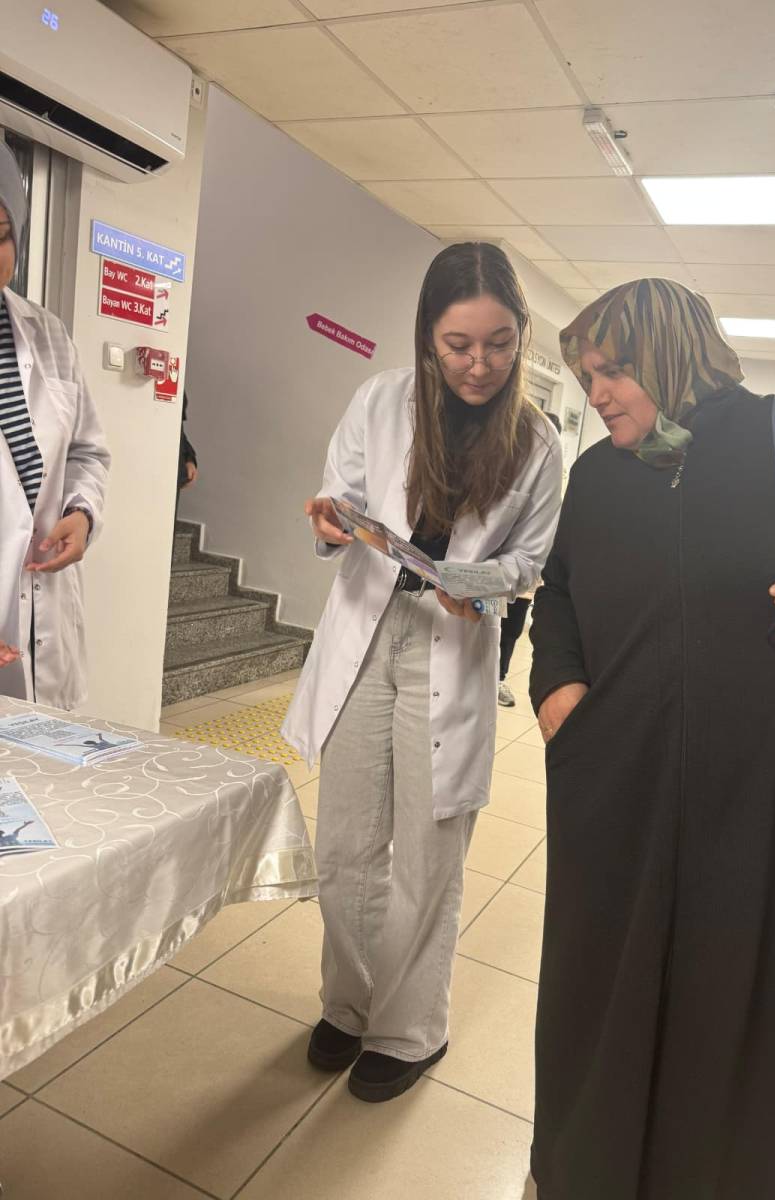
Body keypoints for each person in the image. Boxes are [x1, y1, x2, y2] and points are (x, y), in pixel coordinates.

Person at [528, 278, 775, 1200]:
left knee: (752, 986)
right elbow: (559, 592)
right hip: (619, 783)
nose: (597, 393)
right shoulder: (598, 476)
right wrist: (557, 683)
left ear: (674, 355)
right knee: (606, 980)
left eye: (615, 370)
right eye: (587, 376)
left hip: (771, 786)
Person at [282, 242, 563, 1103]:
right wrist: (331, 521)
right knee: (345, 846)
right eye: (458, 344)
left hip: (450, 641)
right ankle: (349, 1002)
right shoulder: (381, 400)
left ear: (521, 338)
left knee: (428, 856)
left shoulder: (539, 442)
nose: (479, 365)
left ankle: (409, 1029)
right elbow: (341, 497)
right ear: (427, 337)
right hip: (368, 634)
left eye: (499, 343)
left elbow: (530, 560)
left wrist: (478, 582)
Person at [0, 141, 110, 711]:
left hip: (43, 613)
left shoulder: (47, 334)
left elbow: (87, 451)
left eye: (0, 235)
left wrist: (82, 514)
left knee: (44, 758)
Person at [498, 410, 561, 707]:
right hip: (496, 573)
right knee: (497, 625)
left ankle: (500, 678)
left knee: (511, 629)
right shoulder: (508, 469)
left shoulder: (552, 480)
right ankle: (494, 676)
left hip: (525, 578)